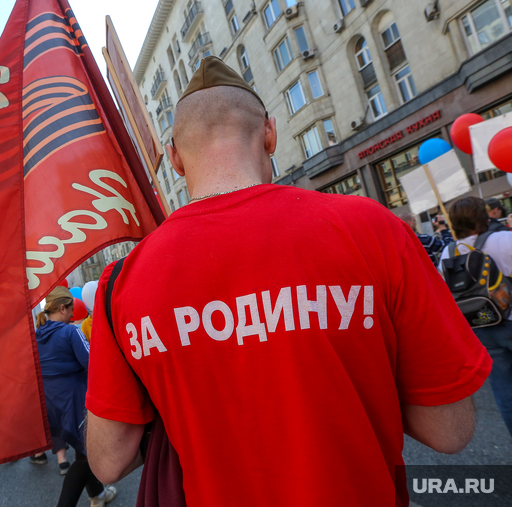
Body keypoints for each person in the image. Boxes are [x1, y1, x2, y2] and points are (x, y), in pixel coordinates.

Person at [84, 56, 490, 507]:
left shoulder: (121, 283)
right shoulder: (370, 228)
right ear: (270, 134)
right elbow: (450, 429)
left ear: (176, 158)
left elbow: (107, 461)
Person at [35, 286, 116, 507]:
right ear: (62, 308)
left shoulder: (35, 334)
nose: (73, 315)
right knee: (86, 457)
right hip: (76, 402)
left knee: (83, 451)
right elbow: (93, 363)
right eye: (71, 310)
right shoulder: (70, 331)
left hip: (52, 404)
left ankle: (98, 495)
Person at [440, 196, 512, 437]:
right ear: (483, 216)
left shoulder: (447, 253)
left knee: (504, 389)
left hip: (480, 324)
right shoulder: (502, 239)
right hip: (510, 317)